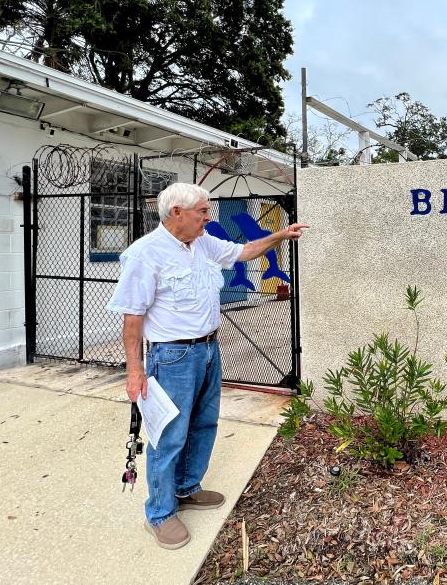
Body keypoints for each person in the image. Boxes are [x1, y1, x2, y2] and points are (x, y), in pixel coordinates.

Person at [107, 182, 307, 549]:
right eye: (202, 211)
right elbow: (132, 319)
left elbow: (245, 251)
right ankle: (161, 513)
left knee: (203, 424)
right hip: (172, 357)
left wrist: (281, 235)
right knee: (169, 436)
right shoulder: (145, 254)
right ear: (176, 213)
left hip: (209, 351)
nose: (208, 217)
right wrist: (134, 370)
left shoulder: (201, 243)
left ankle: (186, 488)